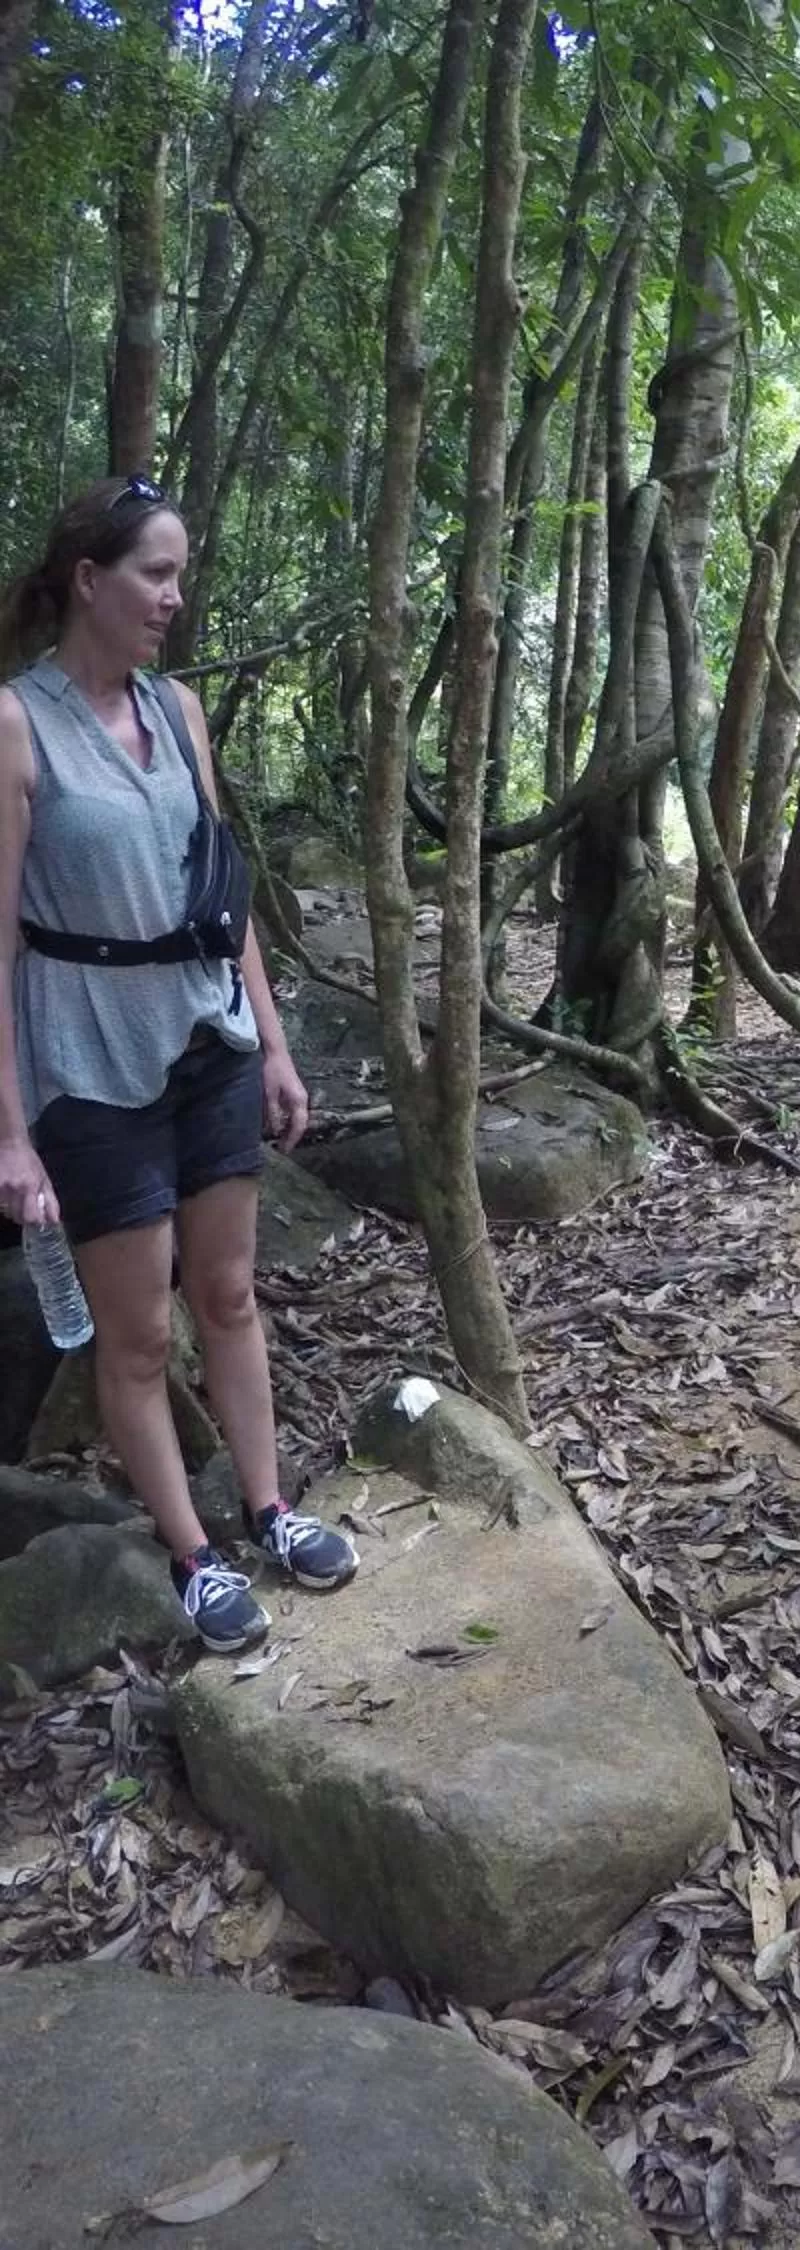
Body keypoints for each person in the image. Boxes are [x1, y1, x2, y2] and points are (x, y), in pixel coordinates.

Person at [0, 475, 357, 1654]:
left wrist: (274, 1041)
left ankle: (269, 1507)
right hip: (88, 1065)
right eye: (156, 572)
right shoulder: (16, 724)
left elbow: (222, 889)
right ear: (88, 581)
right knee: (141, 1336)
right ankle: (194, 1559)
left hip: (207, 1042)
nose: (174, 595)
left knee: (232, 1296)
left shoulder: (181, 712)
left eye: (180, 572)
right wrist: (9, 1132)